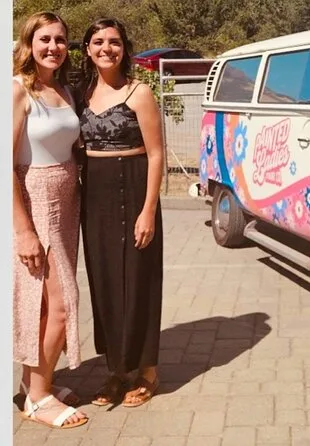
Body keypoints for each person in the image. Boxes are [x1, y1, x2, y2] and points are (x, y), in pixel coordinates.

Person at [78, 17, 164, 407]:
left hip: (133, 186)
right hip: (94, 194)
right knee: (105, 281)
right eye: (98, 42)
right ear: (87, 49)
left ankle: (148, 371)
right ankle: (117, 370)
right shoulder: (80, 93)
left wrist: (148, 210)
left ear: (124, 48)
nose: (106, 48)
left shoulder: (139, 92)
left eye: (114, 41)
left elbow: (156, 154)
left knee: (138, 278)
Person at [12, 11, 88, 428]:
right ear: (29, 43)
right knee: (61, 305)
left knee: (46, 304)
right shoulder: (18, 90)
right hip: (36, 202)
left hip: (66, 202)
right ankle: (39, 400)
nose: (53, 47)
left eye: (60, 39)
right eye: (45, 39)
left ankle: (35, 383)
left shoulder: (64, 89)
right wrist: (24, 230)